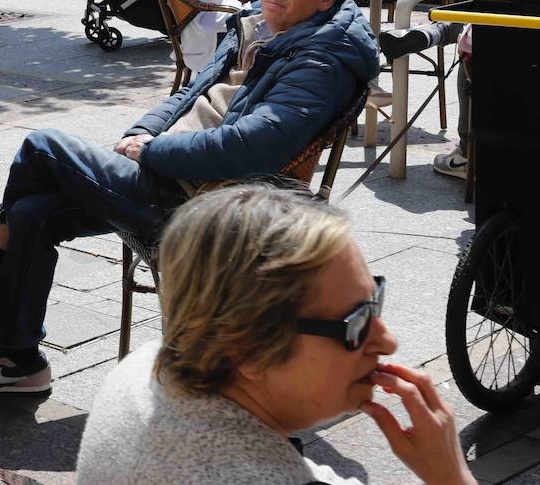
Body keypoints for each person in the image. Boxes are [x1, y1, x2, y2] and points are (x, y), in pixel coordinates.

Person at [0, 0, 379, 396]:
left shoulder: (321, 60)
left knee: (43, 146)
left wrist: (153, 153)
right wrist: (143, 131)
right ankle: (19, 361)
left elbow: (254, 147)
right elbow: (189, 94)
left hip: (207, 205)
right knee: (31, 215)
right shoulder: (255, 24)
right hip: (167, 174)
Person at [73, 184, 474, 485]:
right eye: (354, 323)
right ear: (246, 348)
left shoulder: (144, 367)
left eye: (376, 302)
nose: (387, 341)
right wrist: (451, 476)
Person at [377, 0, 540, 180]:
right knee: (483, 21)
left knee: (477, 33)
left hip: (511, 55)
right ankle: (435, 32)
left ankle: (468, 154)